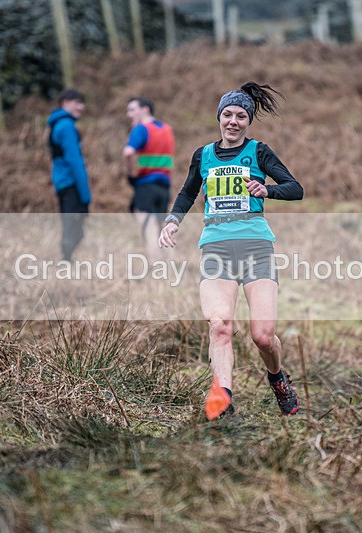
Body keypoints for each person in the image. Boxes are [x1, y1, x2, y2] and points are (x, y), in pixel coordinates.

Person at [158, 82, 304, 419]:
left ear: (248, 121)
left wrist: (266, 190)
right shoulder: (203, 155)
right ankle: (222, 397)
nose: (233, 121)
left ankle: (278, 379)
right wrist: (172, 221)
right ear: (219, 118)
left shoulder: (259, 151)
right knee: (220, 324)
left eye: (241, 115)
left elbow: (295, 189)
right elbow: (187, 193)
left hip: (256, 246)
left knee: (262, 336)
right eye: (228, 114)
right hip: (216, 247)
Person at [123, 97, 175, 260]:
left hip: (145, 185)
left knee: (149, 229)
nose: (129, 114)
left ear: (145, 109)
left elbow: (128, 152)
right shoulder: (167, 129)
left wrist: (130, 174)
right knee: (163, 230)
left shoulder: (141, 129)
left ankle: (155, 268)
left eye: (132, 110)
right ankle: (173, 264)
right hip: (164, 187)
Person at [47, 88, 91, 261]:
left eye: (82, 103)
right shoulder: (66, 126)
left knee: (72, 226)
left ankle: (66, 261)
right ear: (65, 103)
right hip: (70, 183)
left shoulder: (58, 124)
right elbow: (75, 161)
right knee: (74, 227)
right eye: (77, 102)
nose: (81, 107)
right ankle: (65, 262)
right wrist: (86, 195)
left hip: (62, 181)